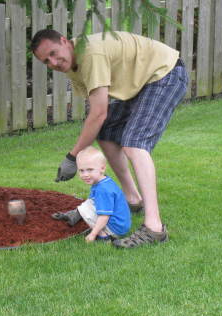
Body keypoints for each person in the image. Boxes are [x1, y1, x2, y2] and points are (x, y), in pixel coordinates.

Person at [31, 29, 188, 248]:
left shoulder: (90, 54)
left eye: (54, 53)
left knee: (134, 143)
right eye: (46, 61)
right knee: (106, 131)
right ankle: (132, 199)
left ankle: (154, 228)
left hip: (164, 74)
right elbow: (98, 113)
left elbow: (98, 113)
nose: (53, 62)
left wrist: (72, 157)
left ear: (65, 42)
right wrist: (75, 155)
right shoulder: (73, 67)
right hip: (141, 84)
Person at [51, 146, 131, 242]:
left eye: (90, 170)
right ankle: (74, 216)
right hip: (121, 224)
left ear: (102, 168)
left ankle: (104, 237)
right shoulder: (103, 181)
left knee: (85, 208)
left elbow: (104, 216)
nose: (85, 175)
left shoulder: (103, 190)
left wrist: (93, 234)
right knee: (89, 204)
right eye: (81, 170)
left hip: (116, 228)